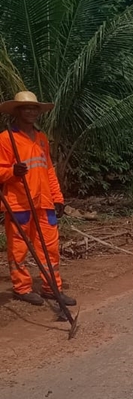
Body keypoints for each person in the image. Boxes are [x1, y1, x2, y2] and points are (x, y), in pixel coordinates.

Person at [0, 91, 76, 306]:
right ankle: (22, 288)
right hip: (19, 202)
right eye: (26, 108)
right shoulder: (6, 139)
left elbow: (48, 170)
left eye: (34, 108)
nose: (31, 111)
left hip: (44, 202)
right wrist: (12, 171)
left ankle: (52, 287)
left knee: (50, 248)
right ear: (17, 111)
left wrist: (57, 197)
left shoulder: (42, 139)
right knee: (19, 248)